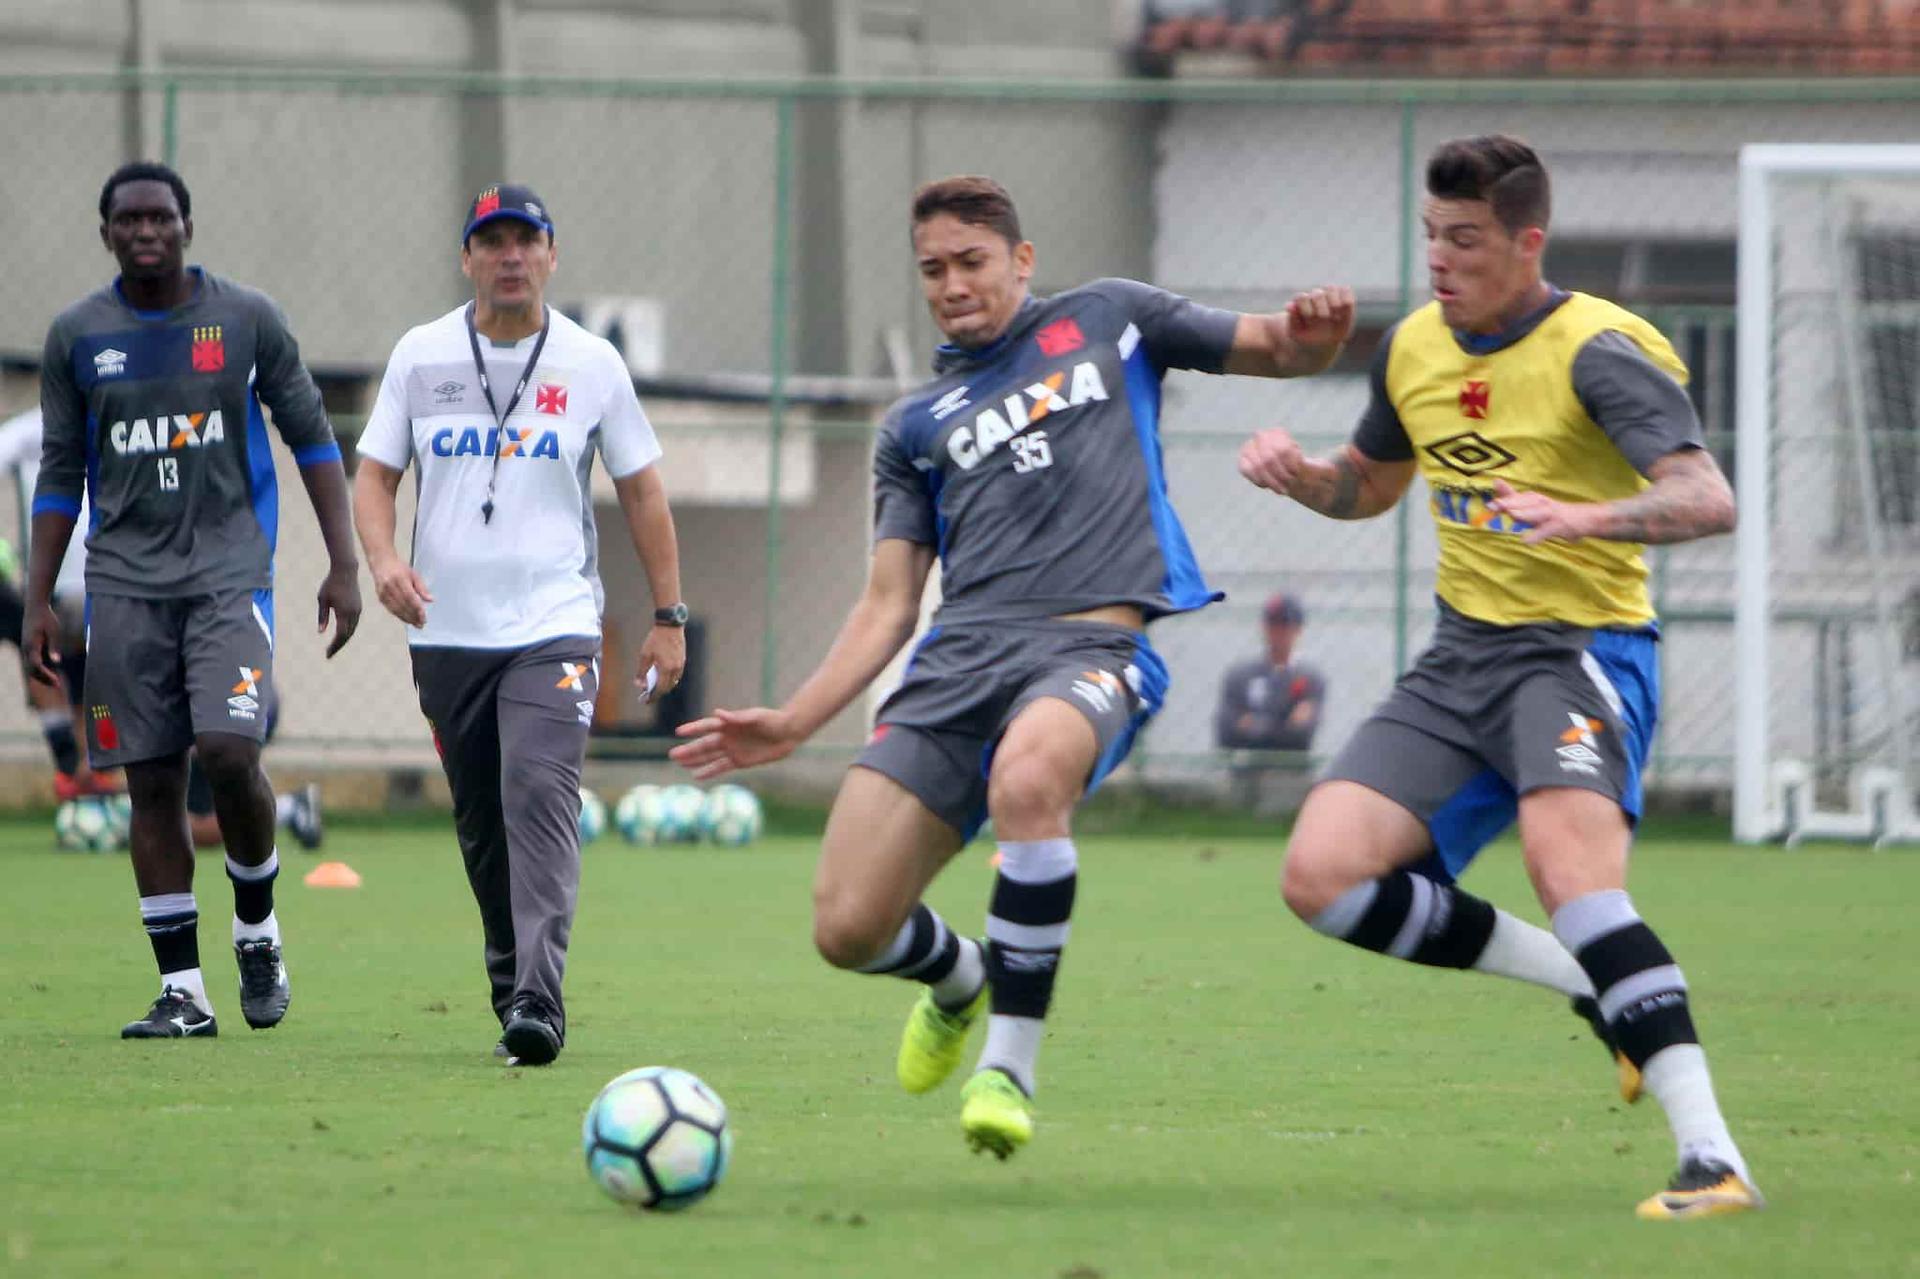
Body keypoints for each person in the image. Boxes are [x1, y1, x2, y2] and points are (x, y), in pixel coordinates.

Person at [672, 175, 1353, 1158]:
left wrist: (1318, 337)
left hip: (1090, 646)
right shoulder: (913, 425)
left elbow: (1280, 347)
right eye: (932, 269)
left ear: (1022, 261)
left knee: (1029, 778)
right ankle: (960, 979)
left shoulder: (1113, 317)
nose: (951, 284)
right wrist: (793, 719)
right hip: (959, 663)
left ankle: (1008, 1067)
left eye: (971, 262)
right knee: (846, 926)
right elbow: (889, 602)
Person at [1237, 136, 1759, 1220]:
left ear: (1528, 243)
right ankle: (1589, 989)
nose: (1439, 258)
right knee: (1321, 879)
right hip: (1459, 657)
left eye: (1465, 239)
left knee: (1572, 878)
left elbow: (1710, 498)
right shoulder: (1415, 347)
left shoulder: (1600, 350)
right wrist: (1304, 481)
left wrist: (1591, 515)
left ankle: (1714, 1158)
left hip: (1578, 653)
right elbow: (1370, 488)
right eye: (1431, 234)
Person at [24, 161, 361, 1039]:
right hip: (123, 585)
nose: (146, 230)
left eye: (161, 217)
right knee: (149, 781)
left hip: (226, 575)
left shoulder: (245, 319)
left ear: (187, 226)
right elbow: (61, 472)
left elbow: (313, 436)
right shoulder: (76, 336)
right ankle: (184, 991)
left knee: (227, 749)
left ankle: (258, 929)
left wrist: (343, 561)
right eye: (128, 219)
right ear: (106, 233)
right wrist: (35, 601)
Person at [353, 183, 687, 1068]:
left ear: (551, 255)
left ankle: (541, 996)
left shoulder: (592, 364)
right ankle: (511, 982)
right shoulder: (421, 355)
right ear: (467, 258)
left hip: (554, 624)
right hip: (446, 632)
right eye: (491, 240)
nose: (509, 255)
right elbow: (376, 475)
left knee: (538, 792)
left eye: (525, 240)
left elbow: (644, 488)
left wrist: (668, 615)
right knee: (482, 820)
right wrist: (384, 561)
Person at [0, 407, 117, 801]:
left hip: (103, 574)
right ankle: (78, 769)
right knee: (59, 668)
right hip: (58, 581)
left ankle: (87, 770)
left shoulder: (112, 416)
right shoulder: (33, 427)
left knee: (87, 677)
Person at [1214, 590, 1324, 752]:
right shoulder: (1241, 676)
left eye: (1284, 625)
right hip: (1246, 769)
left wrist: (1253, 724)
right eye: (1272, 623)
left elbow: (1301, 736)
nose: (1277, 632)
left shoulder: (1310, 679)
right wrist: (1283, 723)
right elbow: (1226, 732)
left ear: (1298, 629)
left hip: (1291, 771)